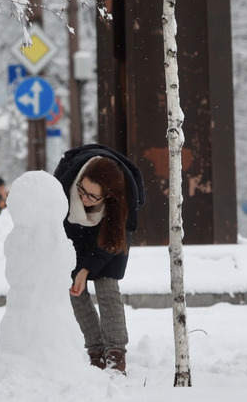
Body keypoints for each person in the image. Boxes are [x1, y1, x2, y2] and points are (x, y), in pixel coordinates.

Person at [53, 144, 146, 374]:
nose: (83, 198)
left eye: (92, 196)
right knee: (73, 288)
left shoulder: (123, 200)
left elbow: (114, 242)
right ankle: (96, 352)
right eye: (82, 190)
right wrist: (79, 271)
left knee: (107, 286)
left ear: (107, 195)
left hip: (109, 234)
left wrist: (89, 268)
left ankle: (115, 354)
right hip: (71, 233)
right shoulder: (65, 186)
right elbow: (55, 226)